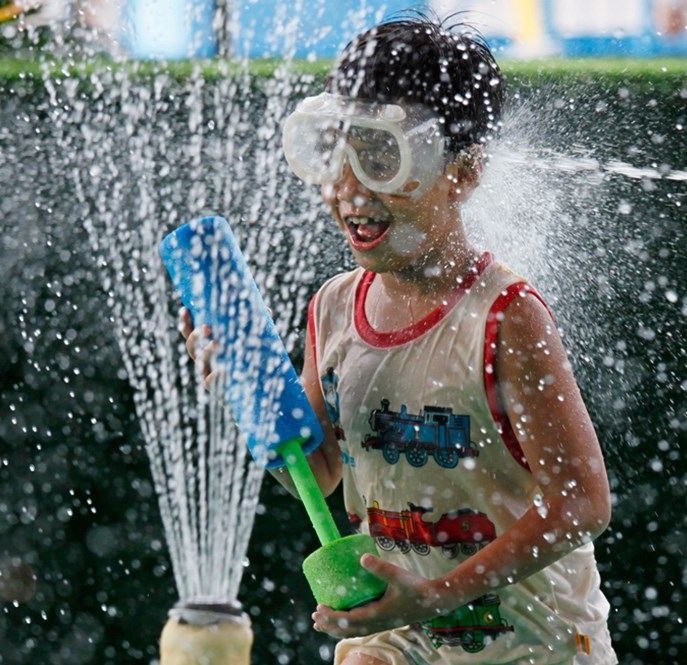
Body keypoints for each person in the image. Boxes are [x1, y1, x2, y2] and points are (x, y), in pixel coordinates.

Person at [182, 12, 616, 665]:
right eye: (336, 151)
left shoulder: (505, 318)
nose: (349, 189)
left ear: (461, 173)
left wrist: (438, 591)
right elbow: (318, 472)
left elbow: (581, 502)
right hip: (401, 635)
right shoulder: (334, 308)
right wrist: (246, 392)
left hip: (532, 646)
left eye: (383, 157)